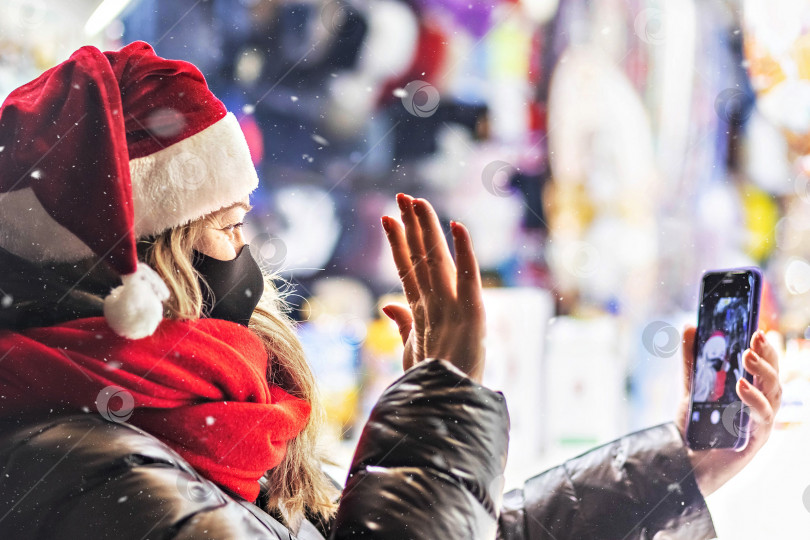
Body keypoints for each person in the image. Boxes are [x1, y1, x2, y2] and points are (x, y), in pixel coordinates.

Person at [0, 42, 781, 540]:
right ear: (134, 268)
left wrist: (681, 467)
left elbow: (456, 528)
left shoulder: (190, 423)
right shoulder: (84, 471)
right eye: (227, 225)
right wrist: (436, 406)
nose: (245, 260)